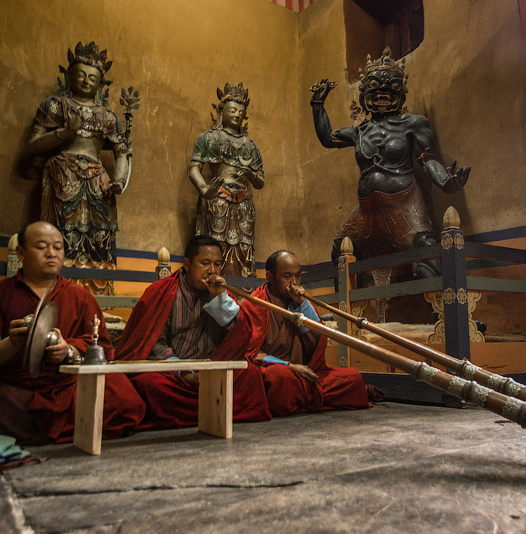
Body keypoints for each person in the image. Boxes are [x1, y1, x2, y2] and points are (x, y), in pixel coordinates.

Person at [0, 221, 145, 443]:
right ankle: (61, 425)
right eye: (41, 246)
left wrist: (69, 350)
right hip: (14, 389)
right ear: (21, 252)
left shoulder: (81, 297)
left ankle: (26, 428)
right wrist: (12, 343)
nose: (52, 253)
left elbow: (104, 349)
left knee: (126, 400)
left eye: (58, 247)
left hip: (66, 385)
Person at [310, 47, 470, 278]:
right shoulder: (359, 130)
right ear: (365, 93)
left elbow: (427, 160)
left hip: (404, 203)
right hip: (366, 210)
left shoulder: (414, 124)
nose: (382, 92)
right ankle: (348, 311)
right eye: (375, 87)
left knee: (427, 257)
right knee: (341, 251)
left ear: (400, 92)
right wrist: (318, 105)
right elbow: (328, 139)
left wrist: (445, 181)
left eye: (390, 87)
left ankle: (440, 314)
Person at [115, 235, 271, 429]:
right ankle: (211, 410)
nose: (212, 271)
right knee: (148, 383)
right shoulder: (161, 292)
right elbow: (154, 343)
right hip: (173, 374)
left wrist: (221, 300)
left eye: (217, 264)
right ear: (187, 264)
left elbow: (239, 335)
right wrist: (186, 372)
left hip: (211, 372)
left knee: (252, 375)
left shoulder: (222, 293)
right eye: (205, 263)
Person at [29, 41, 128, 295]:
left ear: (100, 84)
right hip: (64, 173)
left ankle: (98, 296)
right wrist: (65, 132)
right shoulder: (54, 106)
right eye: (81, 75)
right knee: (65, 234)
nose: (86, 81)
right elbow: (34, 145)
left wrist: (120, 180)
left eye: (93, 78)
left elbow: (121, 153)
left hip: (99, 181)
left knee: (100, 236)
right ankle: (59, 292)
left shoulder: (108, 117)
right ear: (69, 76)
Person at [241, 250, 370, 416]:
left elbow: (317, 342)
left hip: (304, 374)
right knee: (280, 379)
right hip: (276, 372)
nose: (294, 283)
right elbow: (250, 353)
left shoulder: (300, 302)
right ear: (270, 277)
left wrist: (303, 304)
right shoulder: (253, 304)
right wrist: (290, 366)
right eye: (287, 276)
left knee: (353, 378)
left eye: (298, 276)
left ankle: (298, 398)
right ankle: (306, 397)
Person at [189, 83, 264, 278]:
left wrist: (249, 174)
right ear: (221, 112)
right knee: (216, 244)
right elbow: (194, 169)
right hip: (218, 198)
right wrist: (205, 190)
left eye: (241, 111)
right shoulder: (209, 138)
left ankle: (242, 287)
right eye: (232, 110)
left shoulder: (251, 146)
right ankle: (214, 284)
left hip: (244, 203)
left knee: (244, 246)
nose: (237, 114)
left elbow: (260, 181)